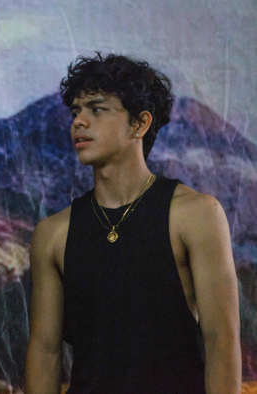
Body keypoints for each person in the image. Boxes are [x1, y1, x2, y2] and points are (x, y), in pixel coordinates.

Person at [25, 53, 241, 393]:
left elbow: (221, 341)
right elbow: (45, 350)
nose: (78, 121)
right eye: (76, 111)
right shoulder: (52, 234)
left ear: (139, 123)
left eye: (96, 109)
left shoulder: (197, 215)